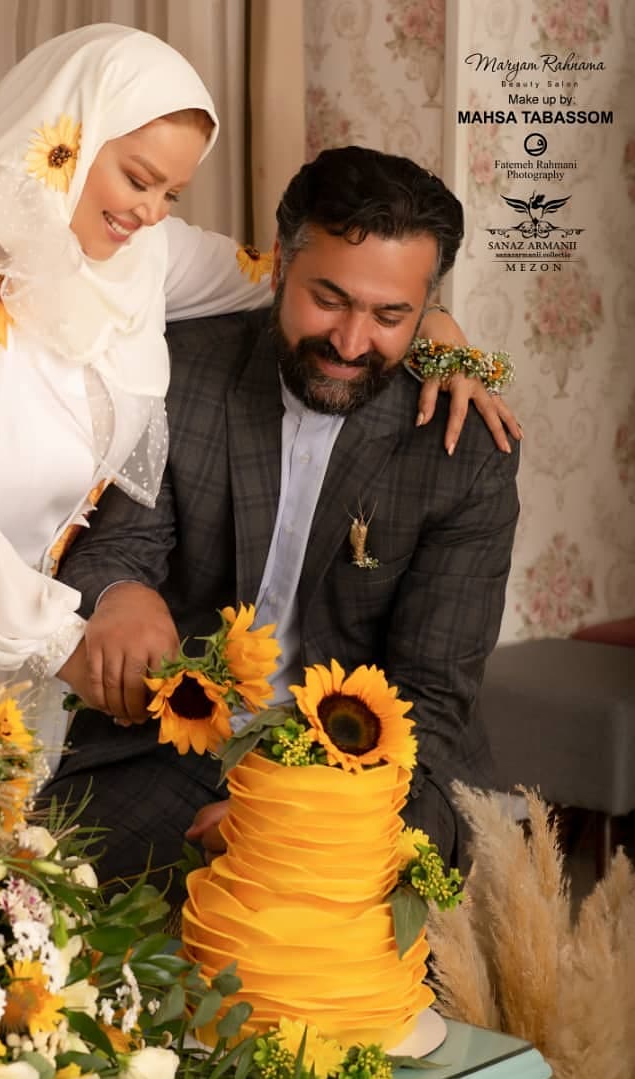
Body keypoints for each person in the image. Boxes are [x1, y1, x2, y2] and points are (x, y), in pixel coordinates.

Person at [0, 24, 509, 758]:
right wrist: (62, 644)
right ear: (67, 140)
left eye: (172, 192)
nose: (153, 210)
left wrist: (428, 323)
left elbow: (292, 279)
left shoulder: (142, 253)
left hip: (10, 646)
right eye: (137, 177)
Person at [41, 145, 521, 887]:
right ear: (277, 270)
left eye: (390, 315)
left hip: (376, 770)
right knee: (37, 892)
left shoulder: (464, 449)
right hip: (171, 743)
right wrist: (119, 592)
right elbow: (118, 547)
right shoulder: (182, 369)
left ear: (426, 311)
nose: (351, 342)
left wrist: (291, 810)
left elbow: (430, 697)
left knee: (309, 930)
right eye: (327, 299)